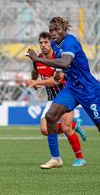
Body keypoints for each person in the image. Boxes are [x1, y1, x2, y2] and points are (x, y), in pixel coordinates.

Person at [26, 17, 100, 169]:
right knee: (50, 116)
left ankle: (78, 155)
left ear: (65, 29)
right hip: (72, 88)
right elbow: (60, 62)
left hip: (88, 89)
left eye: (57, 30)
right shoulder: (54, 43)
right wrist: (58, 71)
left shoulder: (70, 42)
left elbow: (65, 62)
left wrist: (38, 59)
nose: (53, 33)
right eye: (51, 30)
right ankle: (56, 158)